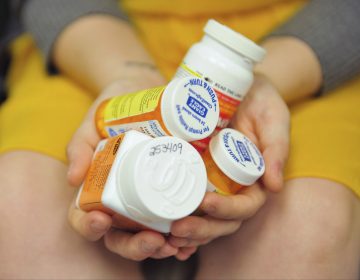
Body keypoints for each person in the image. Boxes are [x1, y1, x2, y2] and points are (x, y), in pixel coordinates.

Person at [0, 0, 359, 279]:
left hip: (301, 50)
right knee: (17, 201)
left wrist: (257, 82)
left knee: (314, 225)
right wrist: (127, 74)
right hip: (94, 38)